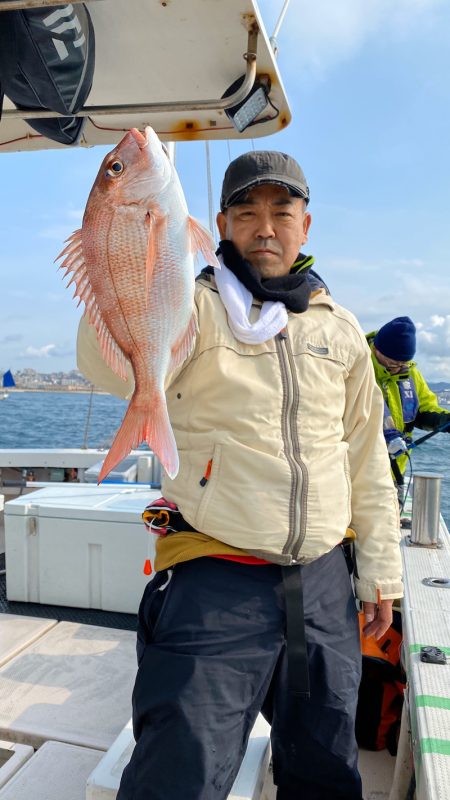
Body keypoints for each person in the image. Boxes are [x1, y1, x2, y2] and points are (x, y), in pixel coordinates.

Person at [78, 150, 403, 800]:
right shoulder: (192, 307)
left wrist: (381, 575)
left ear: (304, 225)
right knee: (180, 778)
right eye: (247, 212)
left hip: (320, 586)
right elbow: (103, 365)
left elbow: (365, 459)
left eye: (281, 212)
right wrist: (116, 250)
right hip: (213, 582)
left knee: (325, 771)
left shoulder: (338, 330)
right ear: (220, 223)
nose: (265, 227)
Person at [367, 316, 450, 499]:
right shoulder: (358, 366)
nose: (396, 368)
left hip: (396, 470)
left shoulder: (411, 373)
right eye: (392, 363)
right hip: (363, 472)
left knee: (390, 518)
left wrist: (443, 420)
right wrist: (384, 436)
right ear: (376, 349)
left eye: (401, 364)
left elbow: (422, 411)